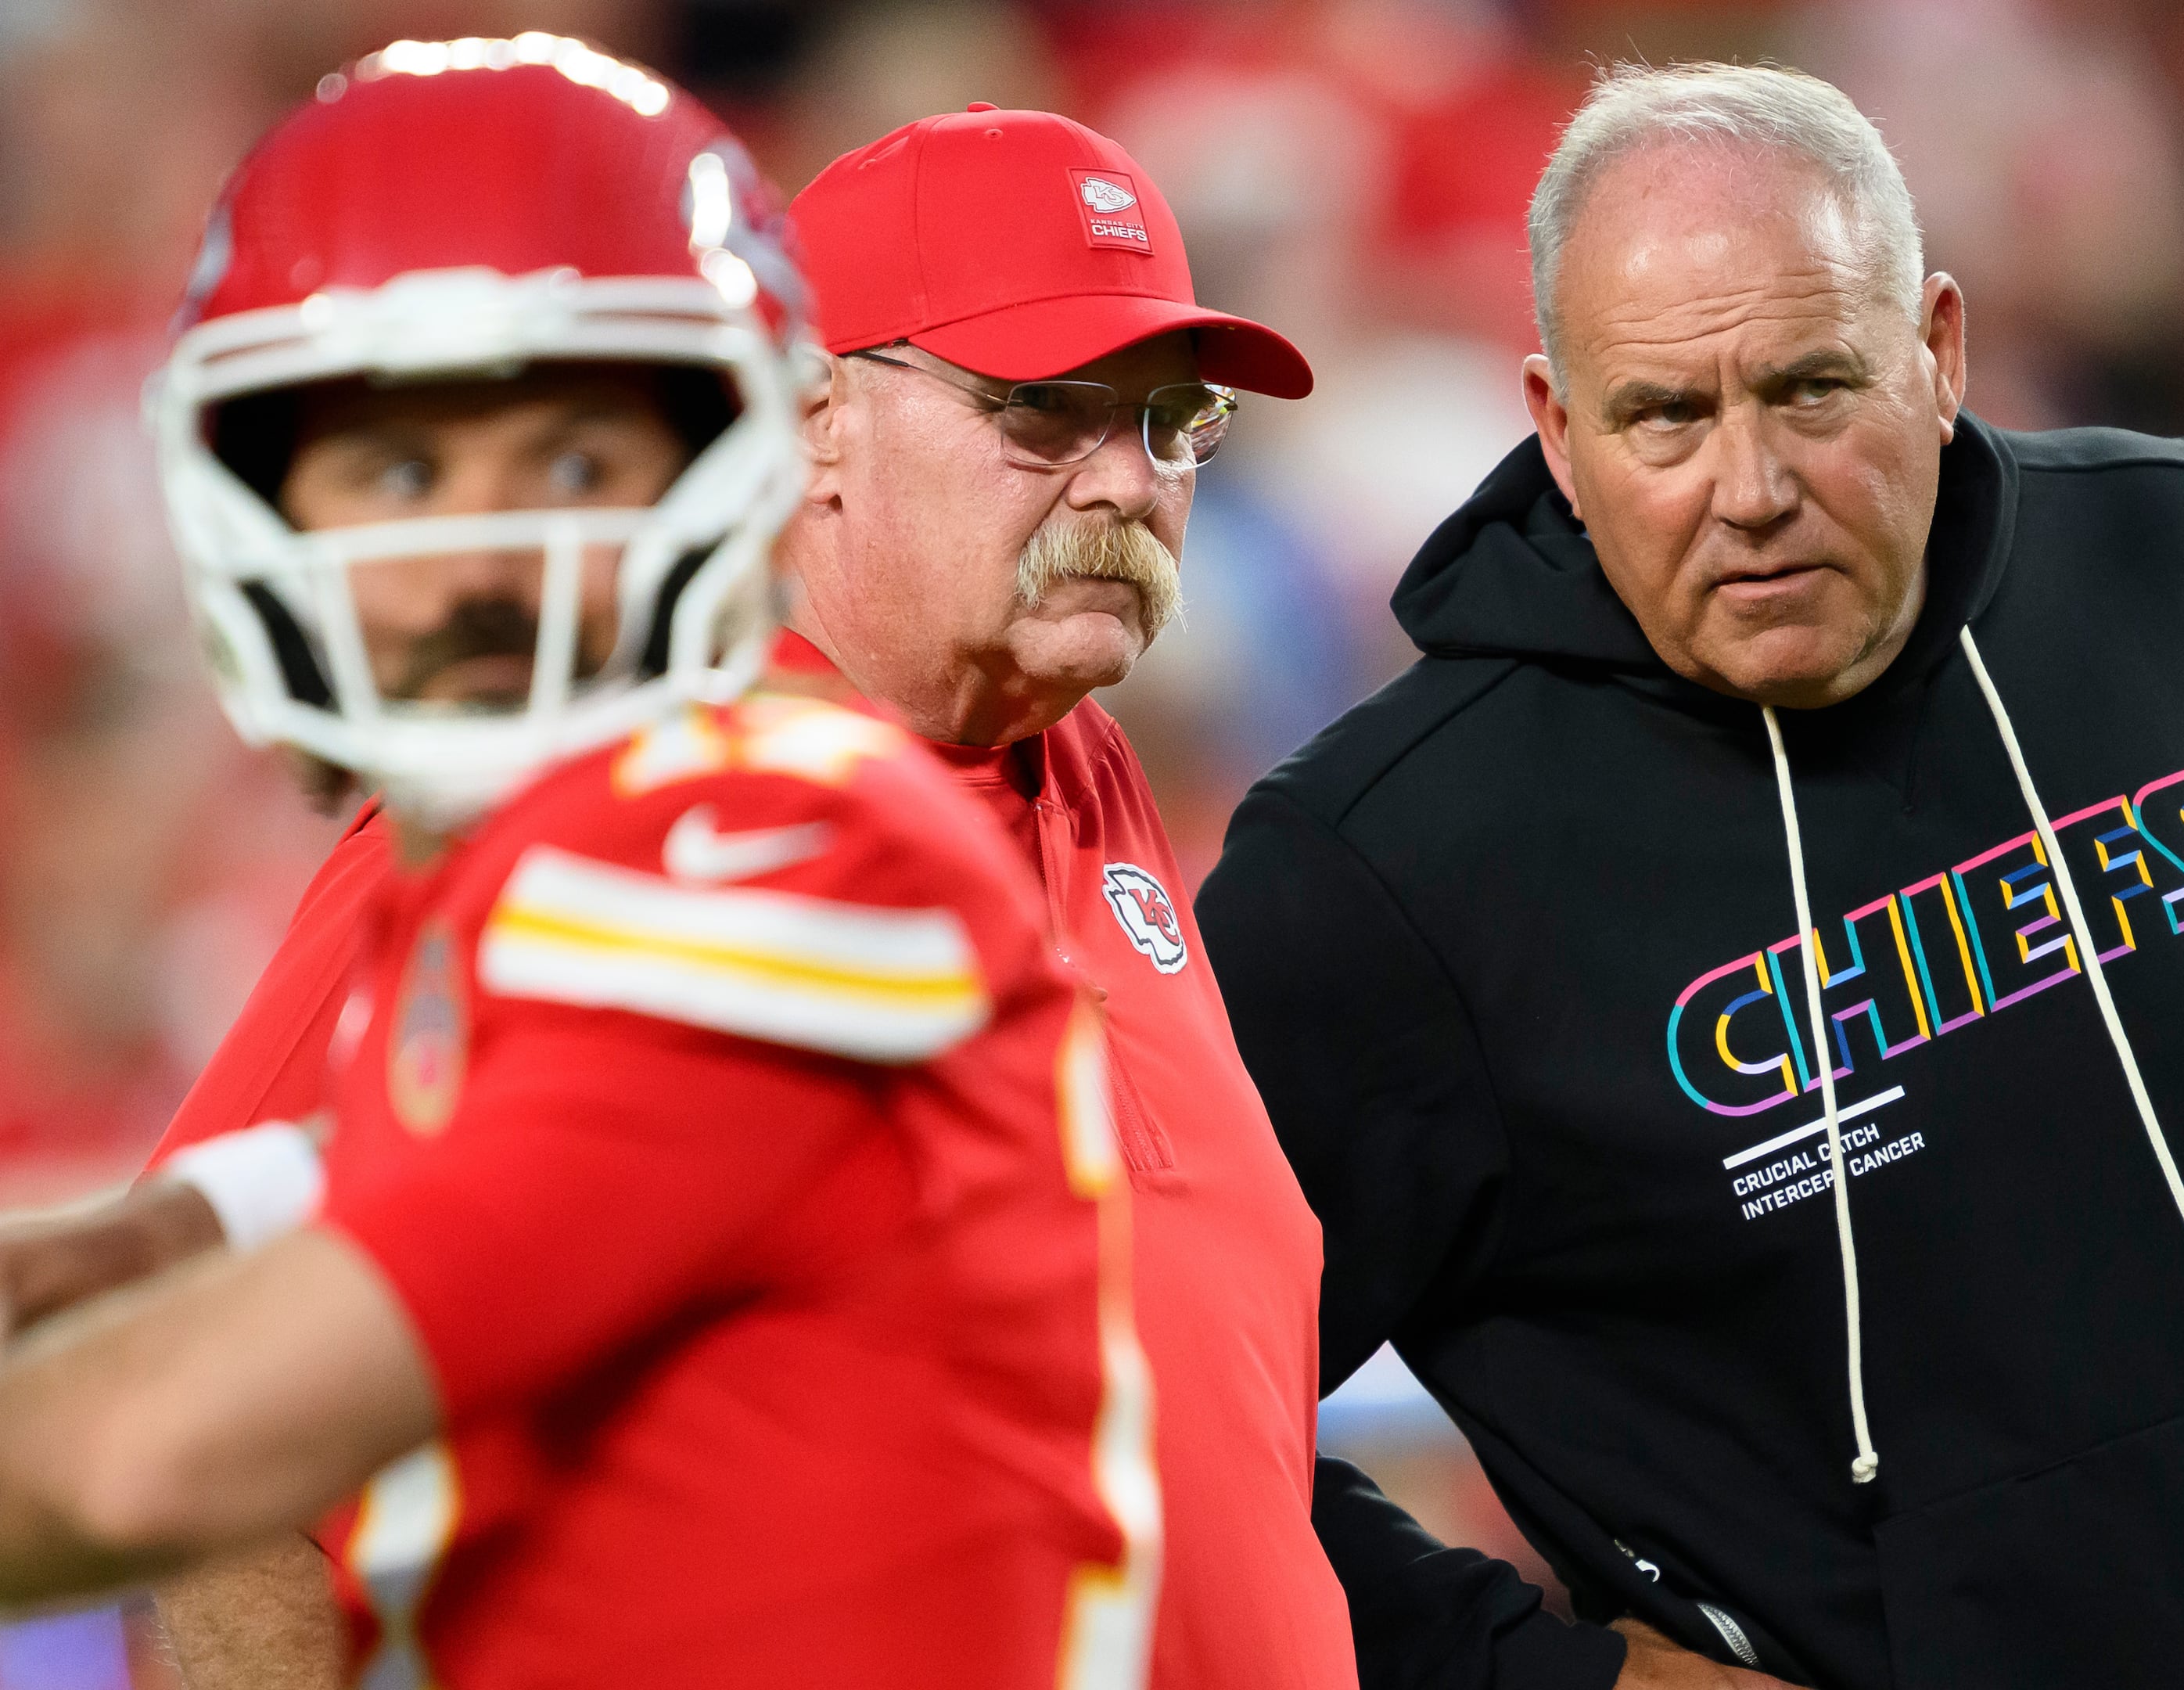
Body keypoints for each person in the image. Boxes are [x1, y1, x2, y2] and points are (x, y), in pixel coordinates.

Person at [1196, 62, 2184, 1690]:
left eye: (1813, 388)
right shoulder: (1383, 865)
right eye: (1666, 417)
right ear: (1555, 429)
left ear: (1940, 349)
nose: (1748, 493)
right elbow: (1162, 1414)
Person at [0, 100, 1355, 1690]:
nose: (1129, 484)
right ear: (812, 421)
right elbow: (201, 1443)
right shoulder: (653, 811)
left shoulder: (1077, 769)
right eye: (1049, 408)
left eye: (1169, 418)